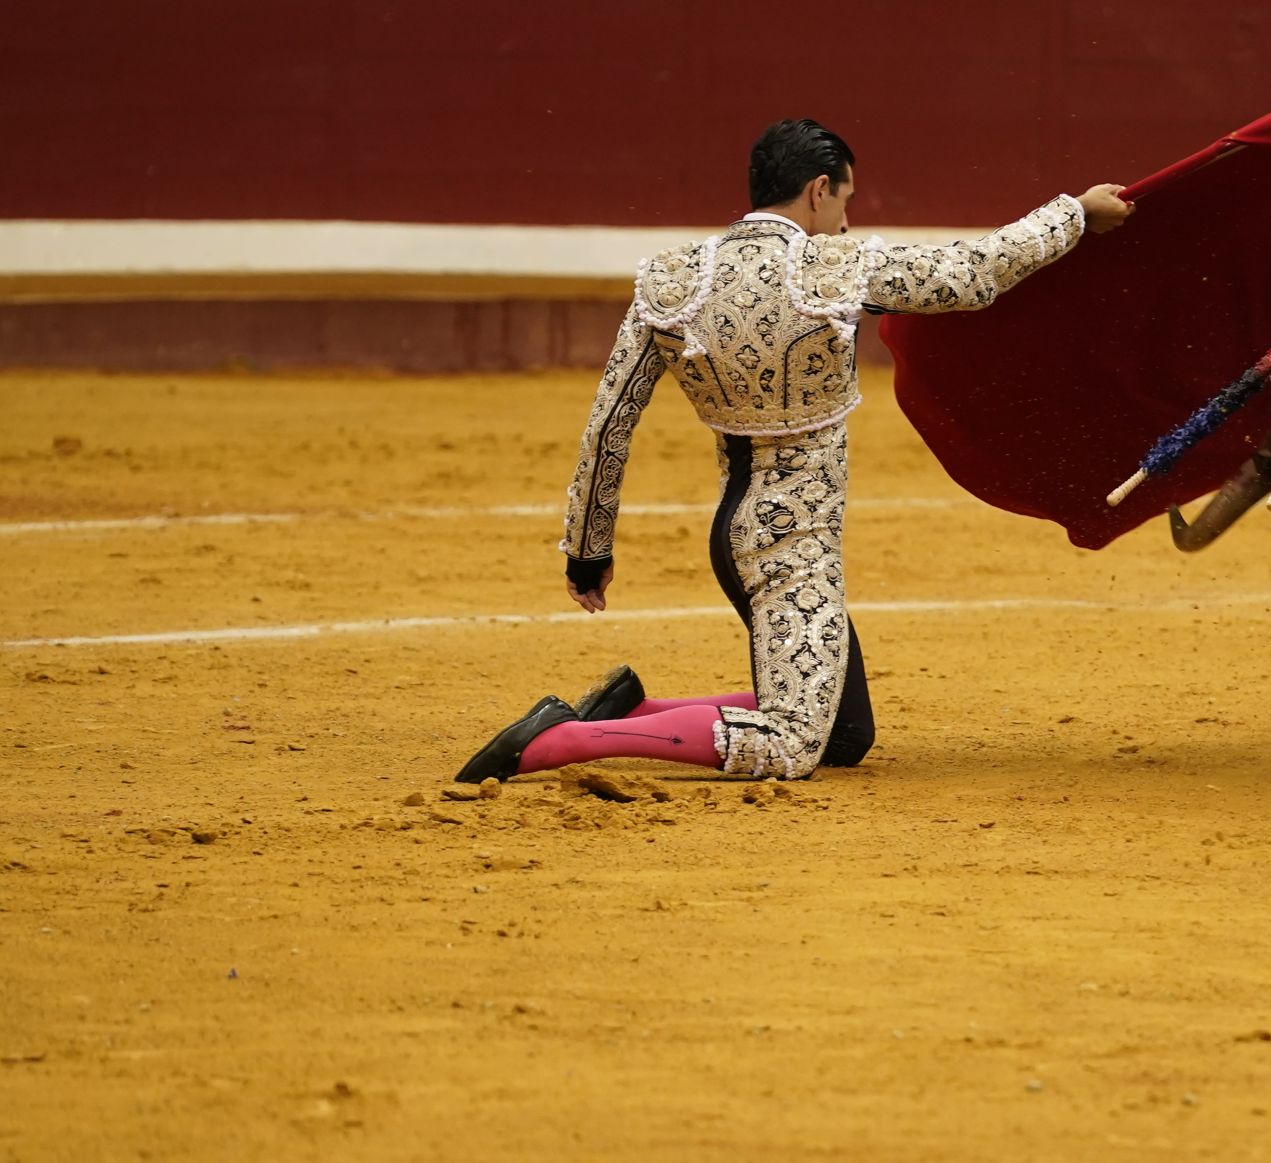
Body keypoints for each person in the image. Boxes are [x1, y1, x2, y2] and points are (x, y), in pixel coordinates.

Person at [457, 119, 1132, 783]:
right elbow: (971, 273)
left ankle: (634, 710)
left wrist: (589, 550)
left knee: (844, 731)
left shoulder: (676, 279)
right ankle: (563, 740)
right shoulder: (834, 265)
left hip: (736, 529)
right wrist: (1073, 214)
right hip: (789, 546)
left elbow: (610, 425)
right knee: (791, 743)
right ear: (817, 190)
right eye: (845, 199)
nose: (844, 218)